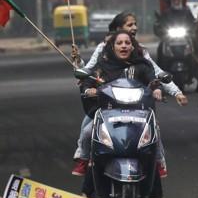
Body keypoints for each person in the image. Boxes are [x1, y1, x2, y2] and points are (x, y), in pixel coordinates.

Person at [72, 11, 188, 177]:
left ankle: (159, 162)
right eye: (129, 25)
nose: (134, 28)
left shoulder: (140, 53)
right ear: (118, 31)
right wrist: (80, 67)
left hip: (136, 106)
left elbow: (155, 73)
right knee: (89, 127)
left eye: (135, 24)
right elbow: (89, 71)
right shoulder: (103, 50)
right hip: (109, 104)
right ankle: (83, 157)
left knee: (154, 130)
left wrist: (174, 92)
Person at [80, 30, 173, 198]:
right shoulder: (102, 67)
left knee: (153, 145)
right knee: (90, 134)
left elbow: (153, 80)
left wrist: (156, 89)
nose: (123, 46)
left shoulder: (142, 66)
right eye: (119, 43)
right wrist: (89, 88)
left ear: (132, 46)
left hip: (139, 116)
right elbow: (88, 80)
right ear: (112, 46)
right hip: (109, 116)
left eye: (127, 43)